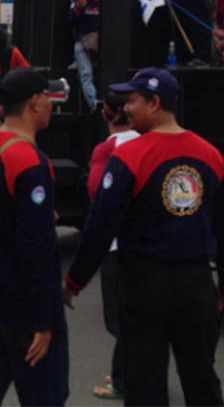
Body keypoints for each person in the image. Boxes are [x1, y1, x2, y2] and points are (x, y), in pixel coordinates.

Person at [63, 68, 224, 406]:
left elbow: (100, 227)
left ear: (155, 102)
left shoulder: (129, 155)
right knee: (201, 378)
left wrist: (74, 279)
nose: (126, 108)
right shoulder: (211, 155)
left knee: (144, 383)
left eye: (132, 100)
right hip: (196, 284)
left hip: (144, 284)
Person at [0, 67, 68, 406]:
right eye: (48, 98)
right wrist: (44, 319)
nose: (51, 104)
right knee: (44, 397)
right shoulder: (30, 160)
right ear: (34, 102)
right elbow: (37, 248)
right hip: (22, 305)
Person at [85, 89, 139, 400]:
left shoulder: (107, 151)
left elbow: (98, 197)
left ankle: (123, 380)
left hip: (117, 247)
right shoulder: (149, 143)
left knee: (120, 319)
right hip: (145, 246)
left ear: (107, 112)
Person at [68, 0, 104, 110]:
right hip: (82, 43)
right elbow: (70, 23)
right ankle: (94, 104)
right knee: (86, 74)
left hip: (103, 43)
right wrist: (78, 9)